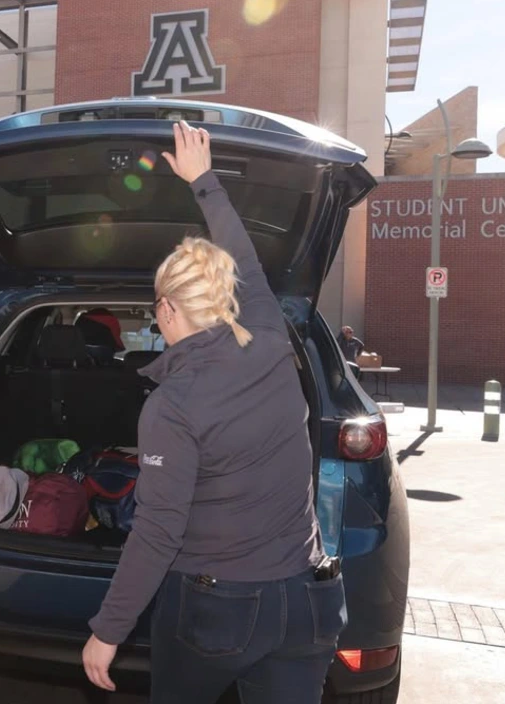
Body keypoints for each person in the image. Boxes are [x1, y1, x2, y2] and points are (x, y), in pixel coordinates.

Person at [81, 123, 345, 704]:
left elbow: (156, 532)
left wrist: (107, 630)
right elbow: (246, 264)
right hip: (307, 602)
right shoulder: (273, 339)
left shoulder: (171, 407)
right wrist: (203, 181)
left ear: (168, 308)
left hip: (218, 610)